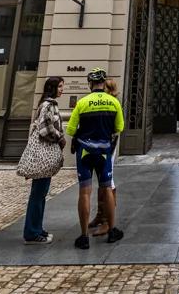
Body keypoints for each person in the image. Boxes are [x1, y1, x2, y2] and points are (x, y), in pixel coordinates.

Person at [66, 67, 125, 249]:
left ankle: (84, 236)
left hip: (84, 152)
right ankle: (112, 230)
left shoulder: (83, 103)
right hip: (104, 152)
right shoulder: (113, 103)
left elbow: (69, 129)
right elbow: (119, 128)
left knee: (85, 192)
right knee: (106, 189)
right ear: (103, 82)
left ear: (90, 83)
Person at [23, 75, 65, 244]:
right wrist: (60, 137)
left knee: (40, 194)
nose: (62, 89)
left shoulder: (46, 104)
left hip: (44, 155)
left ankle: (37, 229)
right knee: (38, 194)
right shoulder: (48, 105)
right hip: (43, 154)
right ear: (52, 87)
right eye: (60, 86)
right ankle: (32, 232)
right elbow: (45, 129)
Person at [88, 77, 120, 236]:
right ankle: (101, 215)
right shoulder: (107, 102)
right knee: (102, 182)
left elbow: (118, 127)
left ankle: (108, 220)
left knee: (108, 182)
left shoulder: (111, 104)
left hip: (107, 148)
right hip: (100, 147)